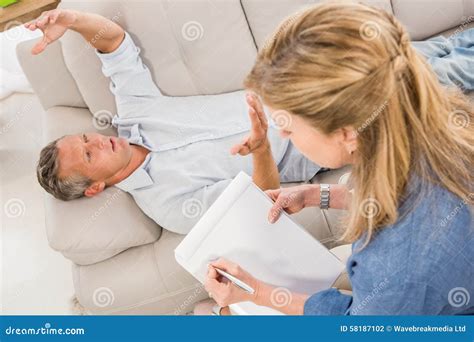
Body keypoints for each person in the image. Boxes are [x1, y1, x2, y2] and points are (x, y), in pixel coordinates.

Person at [202, 3, 473, 315]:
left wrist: (256, 292)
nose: (285, 138)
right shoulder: (440, 122)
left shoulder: (399, 268)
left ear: (348, 133)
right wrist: (318, 194)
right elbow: (406, 199)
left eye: (289, 127)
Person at [29, 9, 320, 234]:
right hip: (312, 141)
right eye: (90, 154)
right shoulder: (168, 206)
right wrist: (261, 149)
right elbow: (260, 204)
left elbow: (114, 43)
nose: (98, 141)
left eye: (85, 138)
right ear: (94, 187)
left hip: (294, 86)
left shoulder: (135, 112)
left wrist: (72, 20)